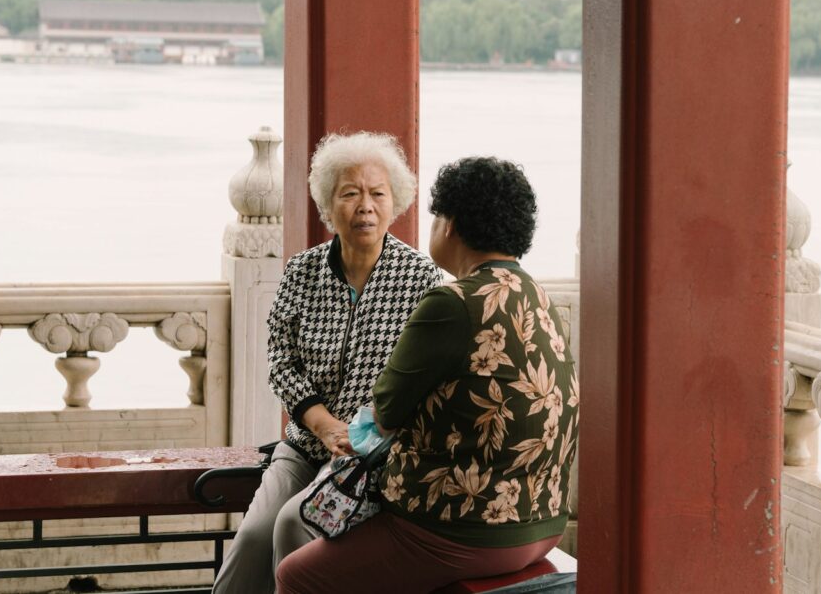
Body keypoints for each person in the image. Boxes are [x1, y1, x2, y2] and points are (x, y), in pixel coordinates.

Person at [276, 157, 580, 593]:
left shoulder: (452, 302)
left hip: (460, 529)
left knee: (296, 575)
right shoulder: (537, 295)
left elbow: (386, 413)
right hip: (543, 523)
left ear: (449, 225)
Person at [212, 132, 443, 594]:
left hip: (370, 458)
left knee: (294, 527)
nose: (365, 206)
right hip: (304, 443)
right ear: (328, 204)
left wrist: (363, 437)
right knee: (254, 536)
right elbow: (281, 361)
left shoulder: (421, 279)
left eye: (378, 194)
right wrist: (323, 426)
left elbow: (426, 379)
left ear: (395, 203)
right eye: (350, 193)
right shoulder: (303, 270)